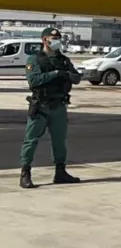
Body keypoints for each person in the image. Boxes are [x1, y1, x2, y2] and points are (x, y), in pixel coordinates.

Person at [19, 27, 82, 189]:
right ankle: (25, 173)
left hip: (59, 106)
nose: (56, 41)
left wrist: (68, 74)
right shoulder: (35, 60)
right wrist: (55, 74)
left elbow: (76, 78)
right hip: (41, 106)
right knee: (31, 140)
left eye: (58, 38)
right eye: (52, 38)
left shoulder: (64, 60)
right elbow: (33, 80)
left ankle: (60, 171)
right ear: (44, 40)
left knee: (59, 141)